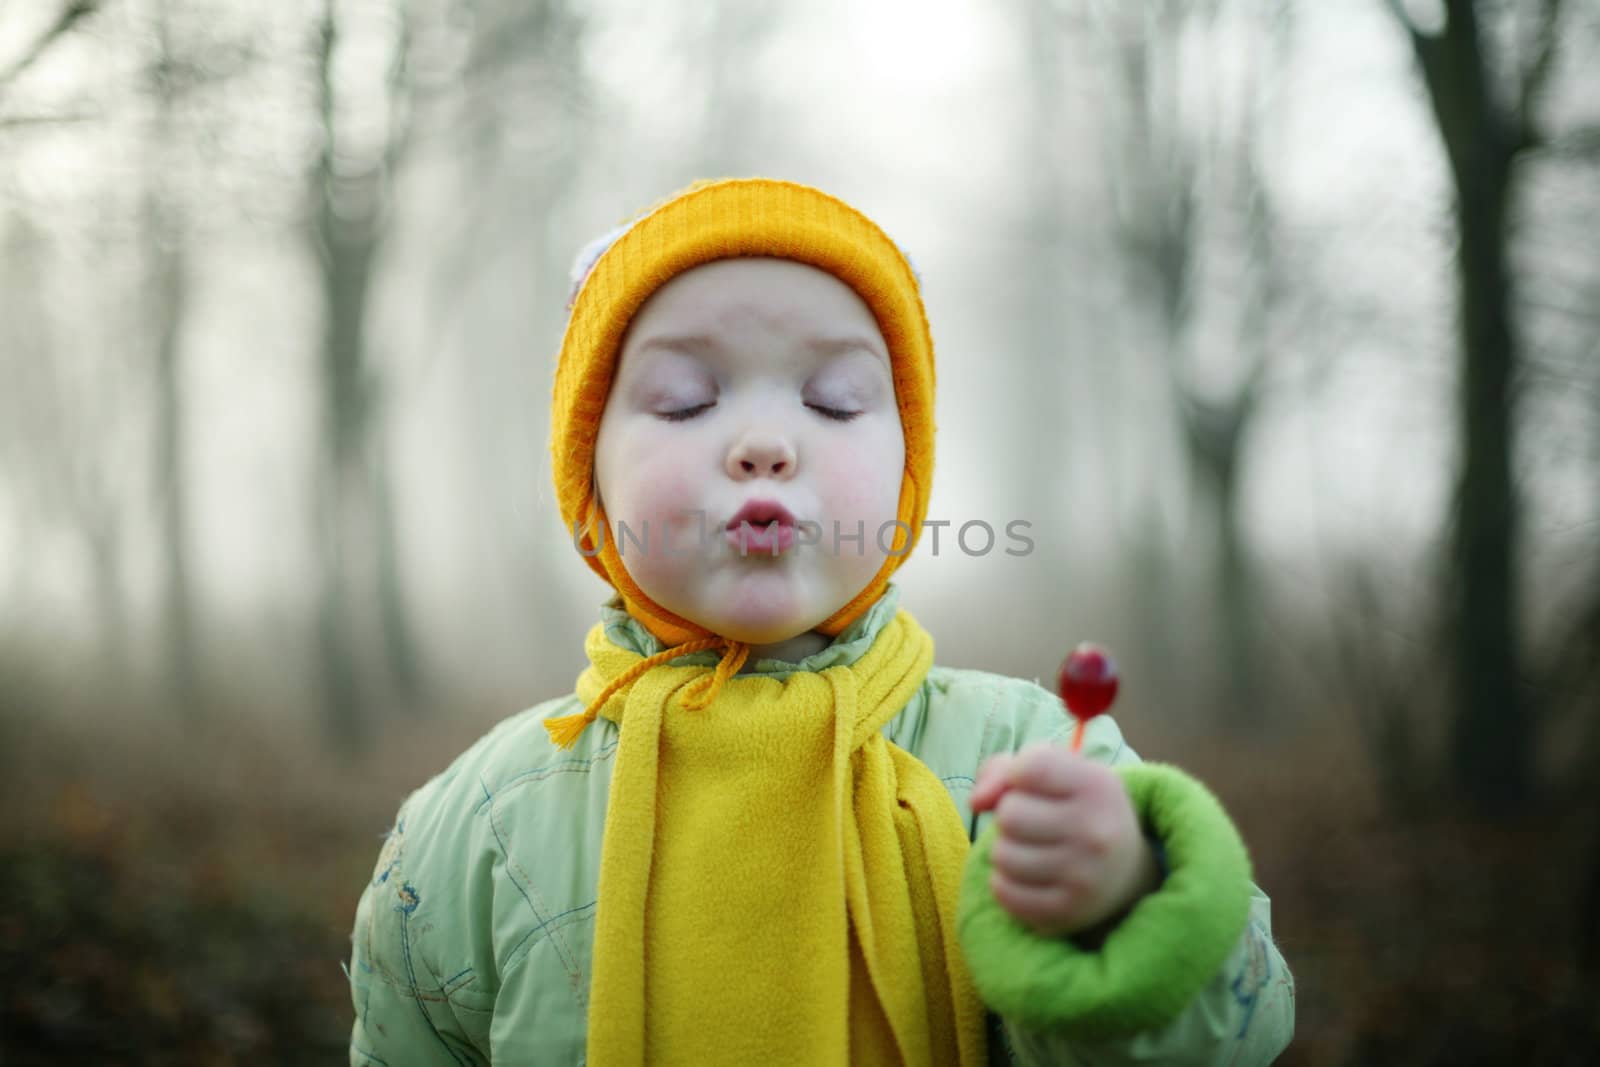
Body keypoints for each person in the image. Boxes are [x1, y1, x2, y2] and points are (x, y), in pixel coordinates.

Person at [346, 177, 1295, 1065]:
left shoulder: (1030, 764)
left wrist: (1124, 903)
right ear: (589, 483)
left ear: (907, 475)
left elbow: (1243, 1028)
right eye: (685, 401)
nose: (765, 444)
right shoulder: (478, 827)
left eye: (834, 400)